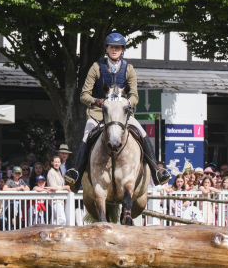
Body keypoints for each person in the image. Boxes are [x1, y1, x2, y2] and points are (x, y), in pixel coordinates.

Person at [63, 33, 171, 192]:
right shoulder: (96, 67)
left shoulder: (129, 69)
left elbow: (135, 96)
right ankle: (76, 175)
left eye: (118, 48)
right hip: (99, 114)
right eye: (112, 47)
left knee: (141, 133)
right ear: (107, 49)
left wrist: (127, 103)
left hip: (122, 116)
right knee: (87, 136)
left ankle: (156, 172)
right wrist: (96, 101)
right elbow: (84, 94)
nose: (115, 50)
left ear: (122, 50)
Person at [47, 155, 71, 225]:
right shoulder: (51, 172)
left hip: (60, 199)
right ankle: (51, 230)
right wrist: (65, 187)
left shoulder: (58, 172)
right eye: (55, 162)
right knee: (62, 219)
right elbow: (53, 187)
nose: (57, 164)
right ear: (52, 163)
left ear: (61, 163)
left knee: (56, 219)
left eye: (58, 162)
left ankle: (52, 233)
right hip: (54, 199)